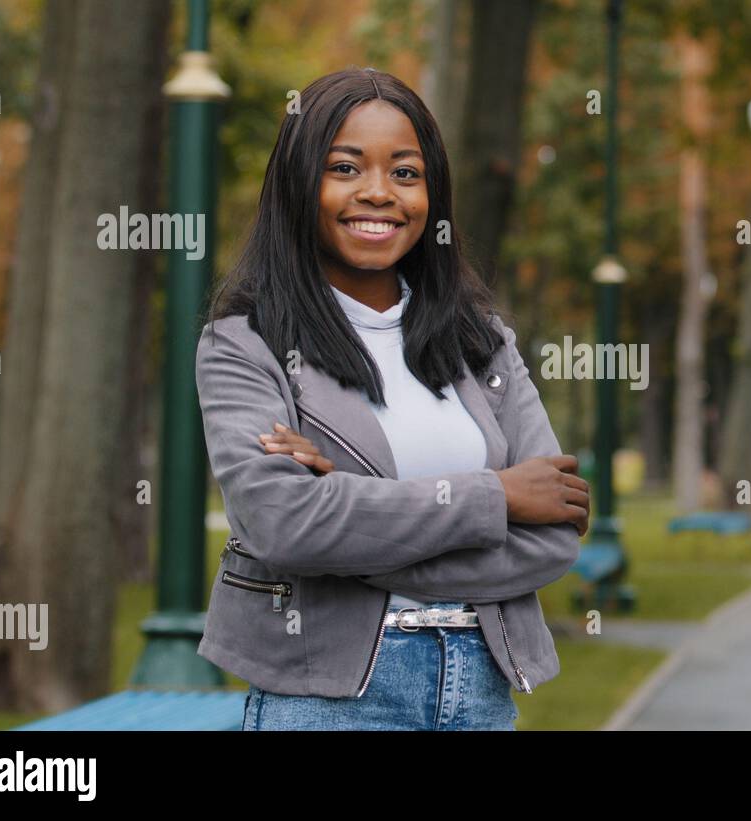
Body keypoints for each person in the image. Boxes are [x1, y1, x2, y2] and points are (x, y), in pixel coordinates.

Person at [195, 67, 588, 730]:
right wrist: (498, 496)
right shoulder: (244, 345)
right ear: (299, 186)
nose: (378, 193)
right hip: (327, 701)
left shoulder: (482, 344)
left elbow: (553, 535)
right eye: (345, 168)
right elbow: (284, 524)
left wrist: (351, 525)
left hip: (480, 692)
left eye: (405, 173)